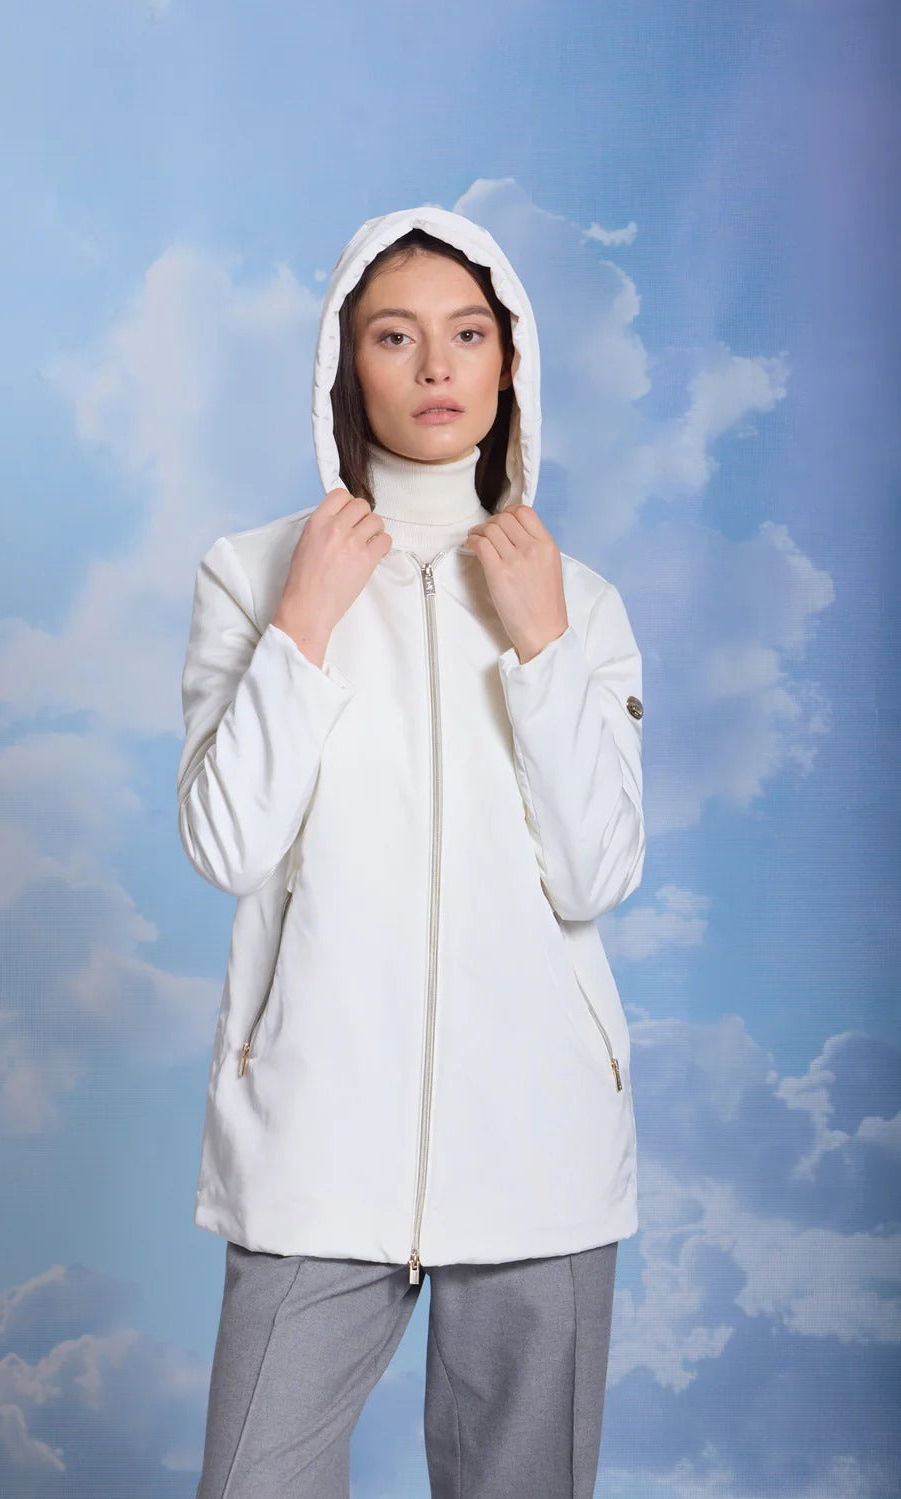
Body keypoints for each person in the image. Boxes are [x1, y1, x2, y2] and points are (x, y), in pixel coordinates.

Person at [177, 203, 646, 1499]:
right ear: (347, 364)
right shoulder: (254, 573)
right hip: (316, 1137)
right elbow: (228, 843)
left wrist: (544, 646)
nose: (437, 367)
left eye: (468, 334)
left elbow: (595, 874)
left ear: (510, 361)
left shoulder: (580, 599)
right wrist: (305, 625)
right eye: (396, 336)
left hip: (540, 1151)